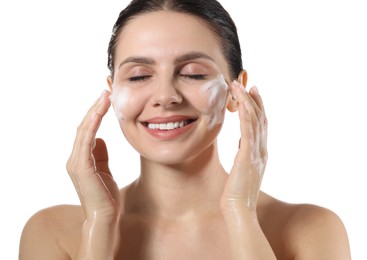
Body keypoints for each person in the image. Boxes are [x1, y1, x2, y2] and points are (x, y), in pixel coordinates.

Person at [19, 0, 351, 259]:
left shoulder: (312, 231)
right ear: (112, 90)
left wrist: (240, 212)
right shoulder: (53, 233)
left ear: (236, 90)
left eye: (193, 73)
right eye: (138, 76)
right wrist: (98, 227)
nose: (165, 96)